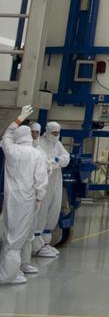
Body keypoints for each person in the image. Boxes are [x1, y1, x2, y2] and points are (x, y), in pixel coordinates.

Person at [0, 105, 48, 285]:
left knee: (9, 233)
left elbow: (7, 135)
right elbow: (41, 181)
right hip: (27, 199)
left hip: (11, 197)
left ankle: (6, 269)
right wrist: (39, 198)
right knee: (17, 238)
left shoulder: (11, 150)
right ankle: (8, 276)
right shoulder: (36, 155)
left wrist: (18, 118)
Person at [32, 120, 70, 257]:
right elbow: (44, 161)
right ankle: (36, 245)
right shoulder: (40, 144)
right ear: (47, 132)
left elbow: (66, 158)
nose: (56, 135)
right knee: (41, 212)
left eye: (58, 133)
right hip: (45, 183)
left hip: (56, 182)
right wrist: (55, 161)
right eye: (54, 133)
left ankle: (46, 243)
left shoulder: (57, 144)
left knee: (53, 210)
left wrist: (56, 160)